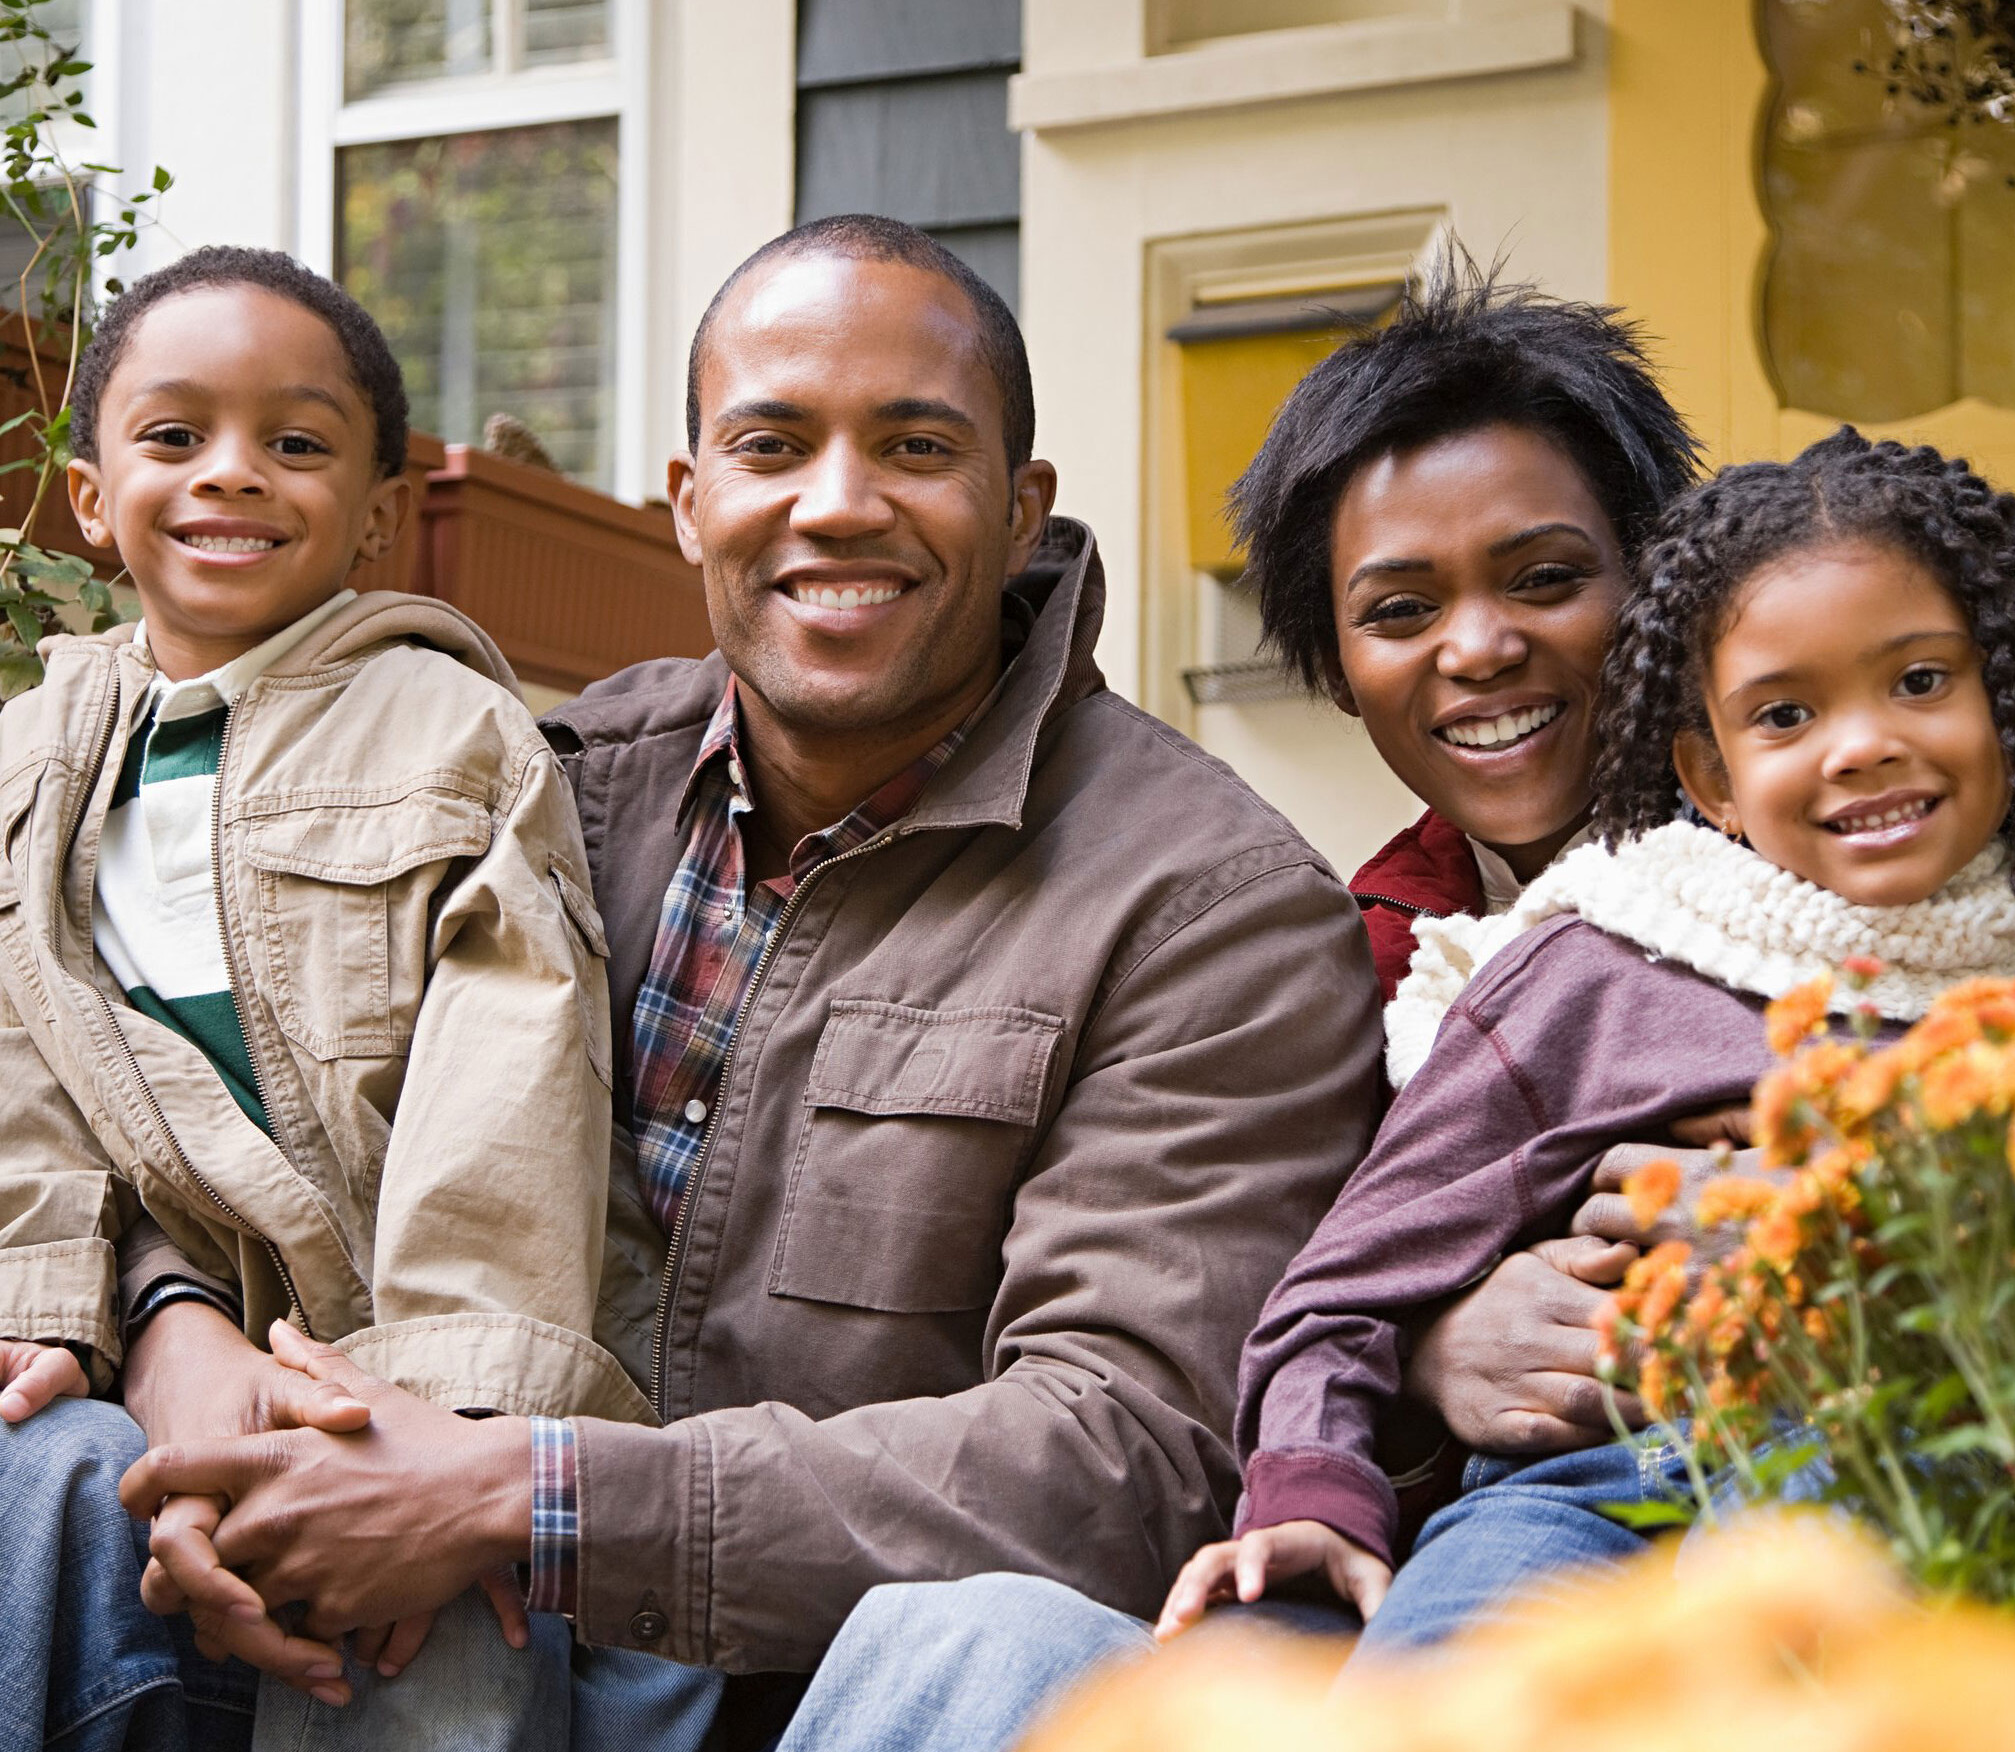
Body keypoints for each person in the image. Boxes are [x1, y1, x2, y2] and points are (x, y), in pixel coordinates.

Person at [100, 214, 1385, 1749]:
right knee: (39, 1486)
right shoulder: (532, 785)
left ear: (1019, 502)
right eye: (772, 446)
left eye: (914, 446)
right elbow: (196, 1086)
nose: (837, 508)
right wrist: (184, 1353)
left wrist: (527, 1497)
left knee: (1010, 1638)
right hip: (395, 1628)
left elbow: (1125, 1457)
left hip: (824, 1687)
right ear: (690, 504)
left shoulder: (1205, 908)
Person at [765, 258, 1715, 1752]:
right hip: (1439, 1571)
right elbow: (1277, 1338)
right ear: (1337, 667)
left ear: (1660, 586)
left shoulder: (1858, 877)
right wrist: (1432, 1349)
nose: (1477, 649)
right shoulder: (1352, 956)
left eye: (1543, 578)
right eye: (1400, 609)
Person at [1165, 425, 2015, 1649]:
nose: (1862, 744)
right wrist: (1326, 1483)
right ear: (1712, 774)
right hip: (1575, 1487)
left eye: (1918, 682)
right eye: (1787, 713)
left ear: (2008, 698)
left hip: (1901, 1457)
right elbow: (1350, 1280)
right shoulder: (1598, 962)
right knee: (1439, 1691)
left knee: (1784, 1636)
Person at [0, 246, 658, 1749]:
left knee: (430, 1657)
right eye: (175, 438)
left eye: (294, 444)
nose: (233, 476)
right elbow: (19, 1057)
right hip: (162, 1342)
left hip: (407, 1370)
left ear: (373, 516)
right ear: (94, 499)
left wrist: (438, 1418)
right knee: (30, 1483)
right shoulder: (30, 764)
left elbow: (513, 1078)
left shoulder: (454, 738)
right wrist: (54, 1308)